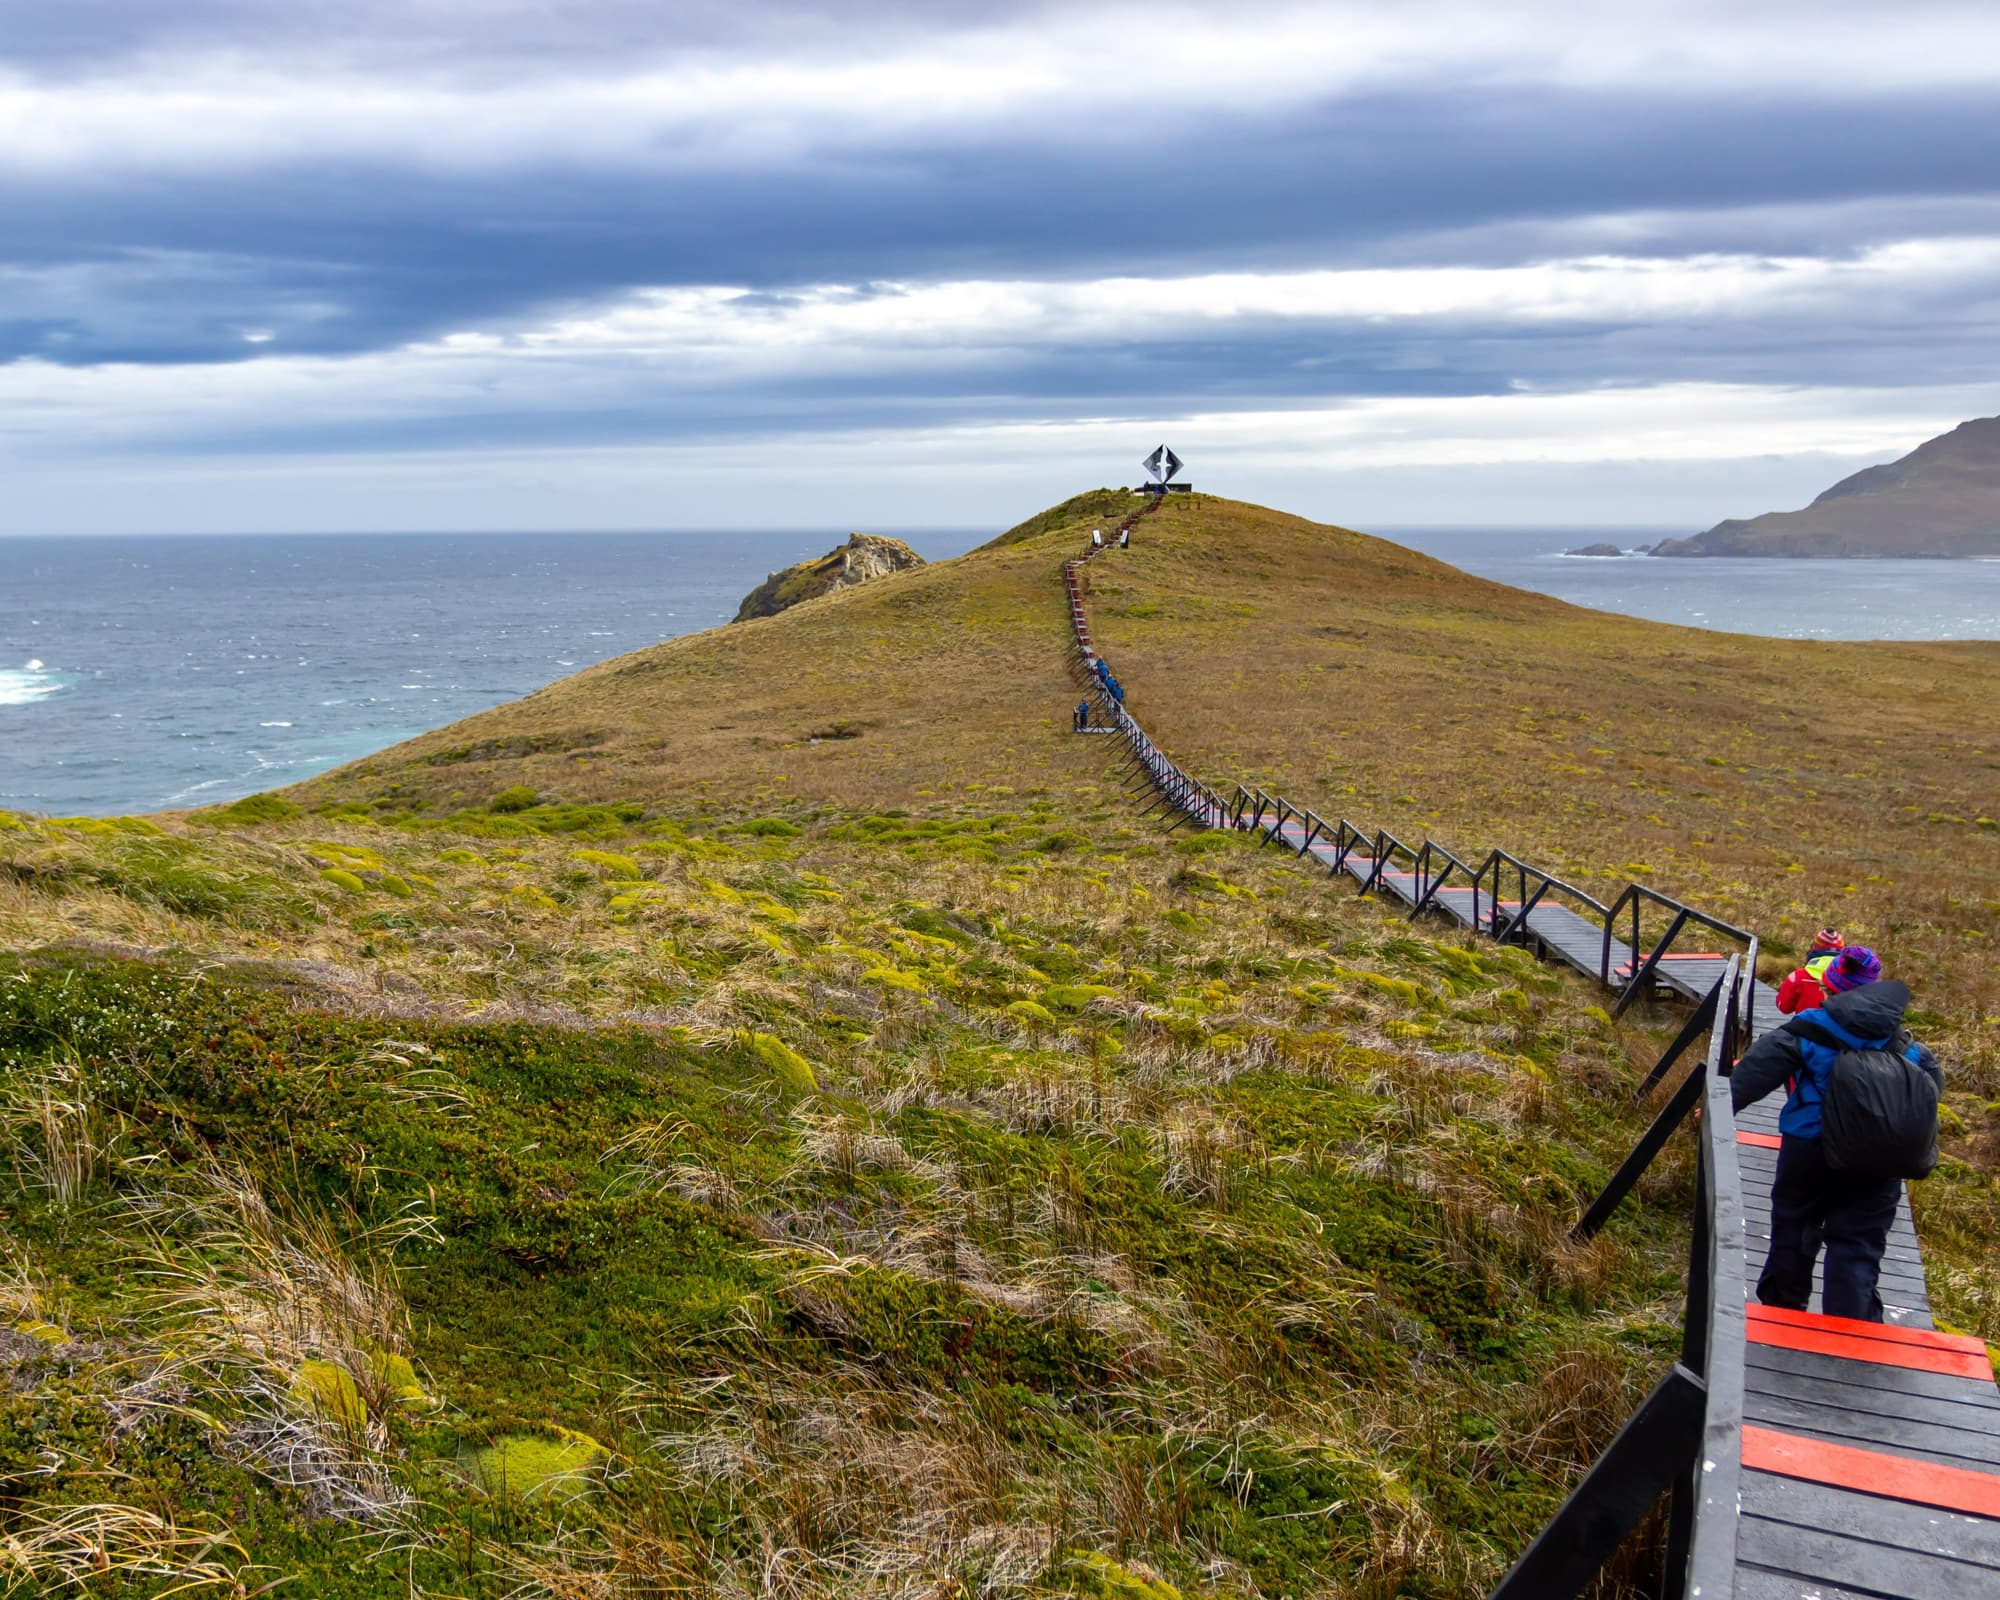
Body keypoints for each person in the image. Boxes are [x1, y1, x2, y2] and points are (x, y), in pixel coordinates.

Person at [1730, 959, 1936, 1322]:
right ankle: (1851, 1324)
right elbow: (1931, 1084)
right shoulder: (1902, 1040)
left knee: (1794, 1223)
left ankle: (1783, 1308)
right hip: (1878, 1157)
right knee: (1858, 1243)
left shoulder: (1811, 1028)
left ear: (1833, 991)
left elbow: (1760, 1066)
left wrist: (1723, 1103)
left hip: (1809, 1146)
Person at [1776, 928, 1847, 1014]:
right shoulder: (1854, 979)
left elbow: (1783, 1007)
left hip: (1804, 1026)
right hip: (1840, 1027)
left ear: (1813, 948)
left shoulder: (1798, 976)